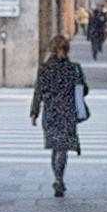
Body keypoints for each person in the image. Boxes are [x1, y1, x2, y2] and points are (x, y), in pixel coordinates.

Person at [30, 33, 90, 194]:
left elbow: (38, 92)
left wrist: (34, 112)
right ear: (66, 50)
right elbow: (84, 90)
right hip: (67, 112)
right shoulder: (74, 68)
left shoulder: (44, 69)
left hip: (51, 112)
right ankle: (59, 178)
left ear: (51, 50)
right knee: (62, 147)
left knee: (56, 147)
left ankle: (57, 178)